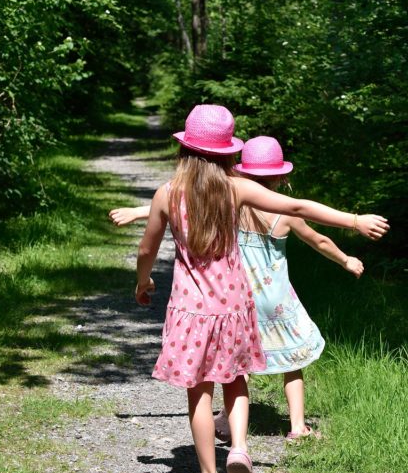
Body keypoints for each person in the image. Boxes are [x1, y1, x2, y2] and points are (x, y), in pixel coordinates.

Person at [129, 105, 389, 473]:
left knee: (199, 391)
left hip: (190, 309)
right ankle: (238, 449)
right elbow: (298, 207)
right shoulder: (235, 189)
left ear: (185, 150)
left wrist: (143, 280)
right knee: (234, 380)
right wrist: (354, 220)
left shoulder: (167, 193)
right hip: (234, 304)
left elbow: (147, 249)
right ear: (229, 154)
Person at [114, 136, 369, 444]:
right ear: (281, 177)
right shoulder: (268, 208)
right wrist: (349, 248)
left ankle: (224, 421)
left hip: (234, 297)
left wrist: (139, 211)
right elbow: (319, 238)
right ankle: (297, 426)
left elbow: (185, 200)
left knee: (233, 367)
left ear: (241, 169)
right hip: (274, 300)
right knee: (294, 363)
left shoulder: (227, 199)